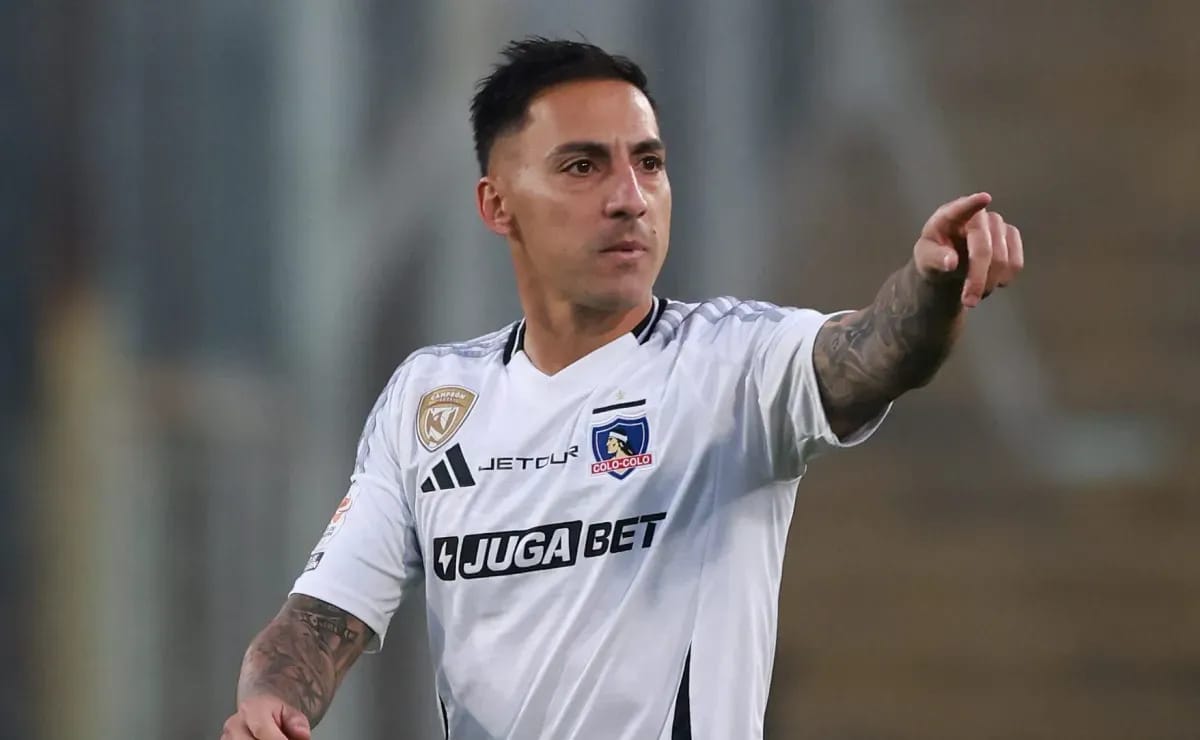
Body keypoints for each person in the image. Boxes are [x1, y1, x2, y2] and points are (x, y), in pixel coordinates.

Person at [220, 36, 1024, 740]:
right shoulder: (430, 399)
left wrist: (932, 287)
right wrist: (270, 703)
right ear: (497, 205)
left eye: (649, 163)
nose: (630, 199)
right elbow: (320, 620)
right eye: (583, 166)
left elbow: (871, 356)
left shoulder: (731, 362)